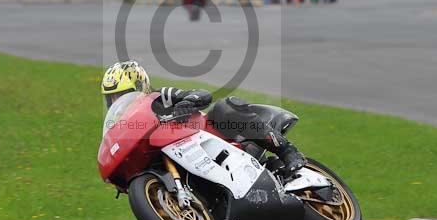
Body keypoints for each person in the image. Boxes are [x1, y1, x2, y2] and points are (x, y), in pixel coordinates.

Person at [100, 61, 306, 175]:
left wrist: (186, 102)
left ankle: (288, 152)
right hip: (185, 159)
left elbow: (202, 93)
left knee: (225, 107)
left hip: (215, 140)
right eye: (113, 99)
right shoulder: (128, 126)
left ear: (139, 86)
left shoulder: (160, 96)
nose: (118, 101)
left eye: (123, 95)